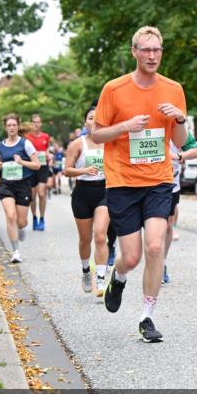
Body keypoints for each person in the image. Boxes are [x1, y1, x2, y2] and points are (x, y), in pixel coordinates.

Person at [91, 25, 189, 343]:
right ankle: (118, 277)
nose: (151, 55)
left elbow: (180, 142)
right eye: (145, 49)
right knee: (131, 257)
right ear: (134, 52)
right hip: (122, 182)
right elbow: (96, 135)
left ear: (161, 52)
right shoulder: (114, 89)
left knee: (156, 246)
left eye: (156, 50)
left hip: (159, 180)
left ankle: (147, 316)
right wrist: (125, 126)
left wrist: (180, 120)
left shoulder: (174, 89)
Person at [64, 104, 112, 295]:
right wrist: (84, 170)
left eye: (98, 118)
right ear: (85, 122)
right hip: (83, 192)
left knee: (100, 235)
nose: (95, 121)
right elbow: (66, 170)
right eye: (91, 117)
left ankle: (100, 279)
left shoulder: (110, 142)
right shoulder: (77, 144)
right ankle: (86, 271)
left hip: (104, 191)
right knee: (85, 239)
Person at [0, 114, 42, 263]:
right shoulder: (0, 146)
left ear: (18, 126)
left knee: (22, 222)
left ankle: (21, 228)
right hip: (7, 184)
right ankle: (16, 251)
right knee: (10, 215)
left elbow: (37, 165)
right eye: (9, 125)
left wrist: (22, 162)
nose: (11, 128)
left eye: (14, 125)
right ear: (5, 128)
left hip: (23, 185)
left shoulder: (25, 144)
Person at [163, 131, 197, 284]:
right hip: (149, 184)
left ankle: (161, 263)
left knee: (167, 226)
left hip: (172, 186)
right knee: (153, 227)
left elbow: (196, 151)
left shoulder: (178, 130)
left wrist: (179, 156)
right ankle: (155, 261)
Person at [26, 113, 52, 230]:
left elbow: (47, 150)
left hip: (42, 167)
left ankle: (42, 218)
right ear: (31, 124)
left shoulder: (46, 137)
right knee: (32, 195)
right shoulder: (27, 137)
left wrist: (48, 155)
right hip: (31, 168)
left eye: (38, 122)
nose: (36, 124)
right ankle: (34, 217)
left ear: (41, 123)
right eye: (34, 122)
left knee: (42, 193)